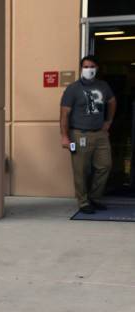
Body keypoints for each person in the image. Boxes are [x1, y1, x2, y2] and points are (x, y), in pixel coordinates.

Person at [60, 55, 117, 214]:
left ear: (96, 68)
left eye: (92, 66)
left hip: (101, 134)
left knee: (105, 166)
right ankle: (83, 202)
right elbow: (64, 114)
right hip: (79, 134)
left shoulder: (103, 86)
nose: (88, 69)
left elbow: (112, 101)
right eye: (85, 67)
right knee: (81, 170)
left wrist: (109, 121)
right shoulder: (73, 89)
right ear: (81, 69)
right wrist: (65, 136)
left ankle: (95, 198)